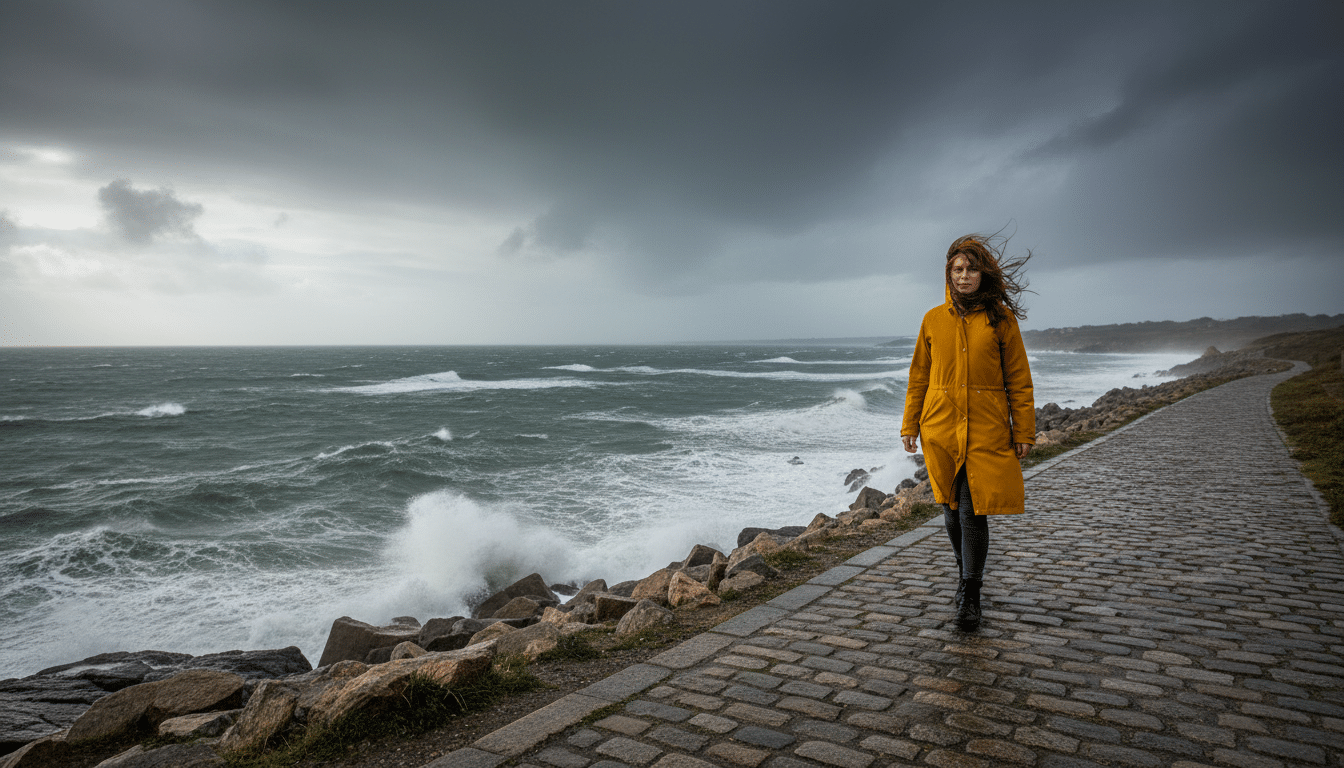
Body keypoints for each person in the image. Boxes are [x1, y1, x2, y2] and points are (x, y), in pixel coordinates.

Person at [900, 233, 1035, 631]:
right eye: (957, 269)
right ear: (948, 273)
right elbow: (918, 377)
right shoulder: (932, 319)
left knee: (973, 509)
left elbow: (1019, 378)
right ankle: (965, 575)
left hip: (985, 430)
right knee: (950, 510)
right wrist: (910, 423)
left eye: (971, 269)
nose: (963, 276)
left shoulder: (1000, 319)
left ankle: (970, 594)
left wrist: (1023, 429)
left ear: (983, 273)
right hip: (940, 428)